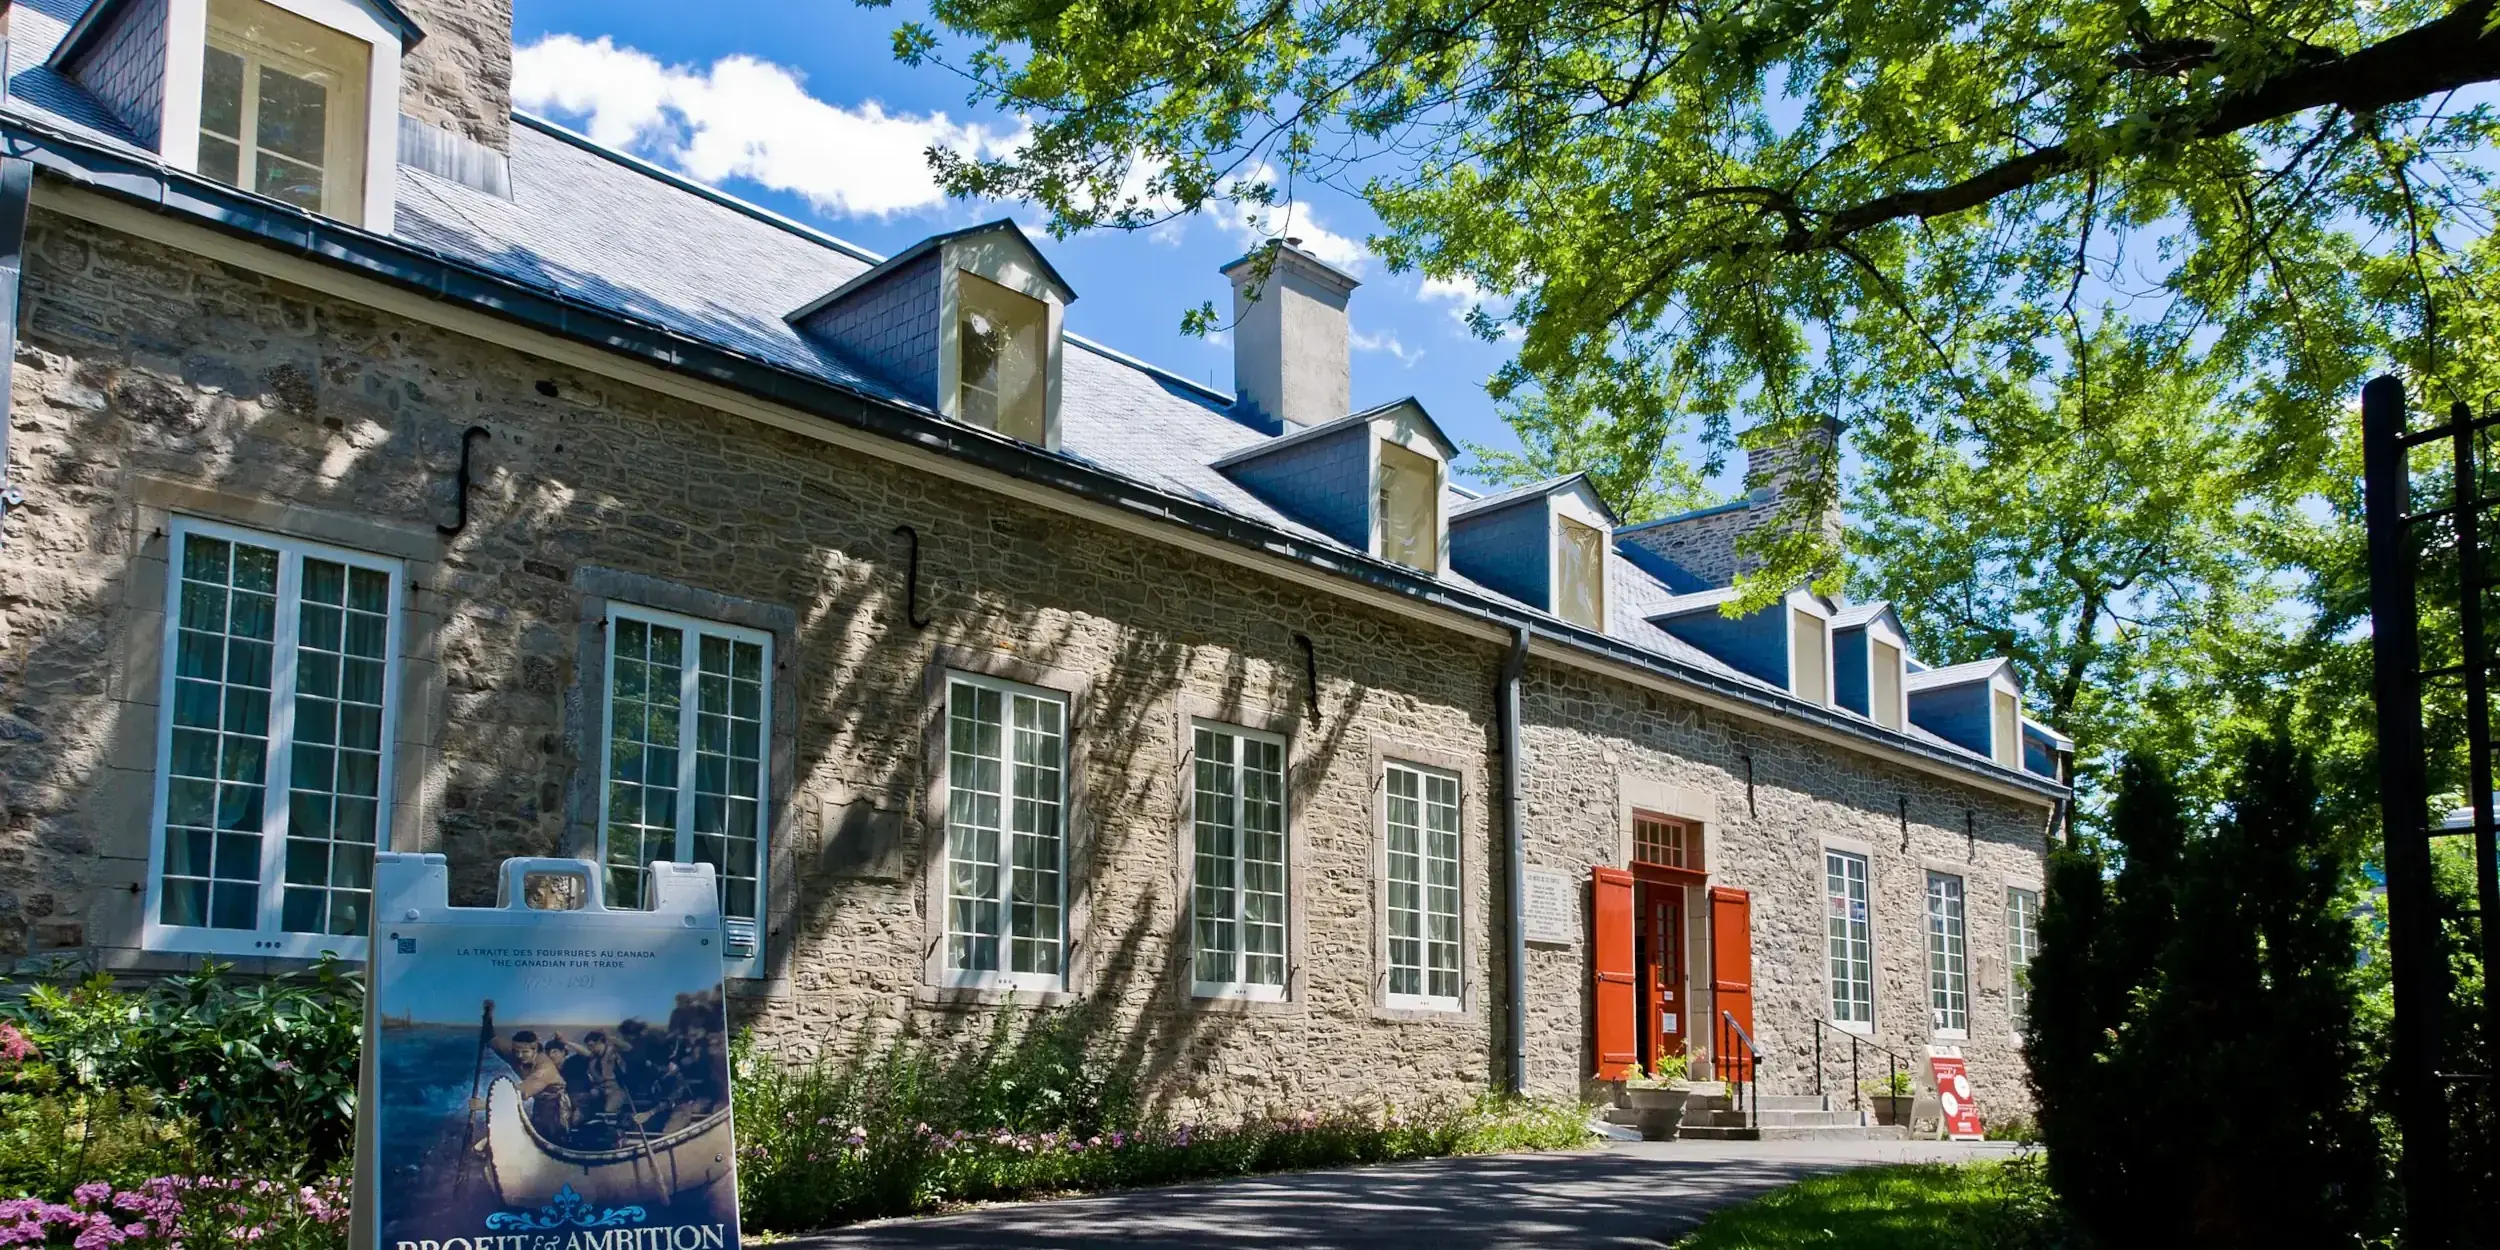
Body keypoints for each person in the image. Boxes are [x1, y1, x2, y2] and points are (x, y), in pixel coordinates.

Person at [476, 1000, 571, 1142]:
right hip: (539, 1103)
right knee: (538, 1133)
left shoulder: (545, 1068)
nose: (520, 1056)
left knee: (555, 1137)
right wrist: (488, 1015)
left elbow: (522, 1092)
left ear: (535, 1050)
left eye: (525, 1052)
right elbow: (491, 1039)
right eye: (516, 1051)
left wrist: (485, 1104)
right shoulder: (513, 1053)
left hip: (556, 1105)